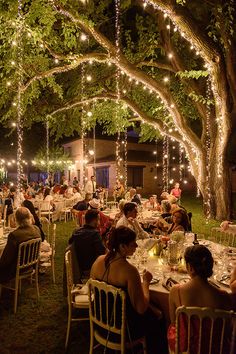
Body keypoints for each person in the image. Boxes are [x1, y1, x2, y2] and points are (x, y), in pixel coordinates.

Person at [90, 226, 168, 354]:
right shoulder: (130, 271)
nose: (136, 246)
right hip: (124, 329)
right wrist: (146, 283)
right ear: (122, 246)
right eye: (133, 244)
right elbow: (141, 308)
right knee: (159, 315)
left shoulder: (98, 261)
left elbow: (94, 291)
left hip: (100, 321)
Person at [168, 245, 233, 353]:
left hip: (186, 348)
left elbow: (174, 323)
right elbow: (226, 330)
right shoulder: (224, 296)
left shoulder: (176, 291)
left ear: (190, 267)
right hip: (214, 348)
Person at [0, 207, 41, 283]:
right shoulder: (36, 229)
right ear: (29, 217)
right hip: (31, 265)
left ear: (16, 219)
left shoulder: (14, 235)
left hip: (16, 269)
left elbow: (5, 260)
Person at [68, 210, 105, 279]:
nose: (99, 222)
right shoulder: (95, 234)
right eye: (99, 219)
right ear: (95, 221)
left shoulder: (76, 231)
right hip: (90, 269)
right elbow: (102, 253)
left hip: (78, 267)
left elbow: (69, 242)